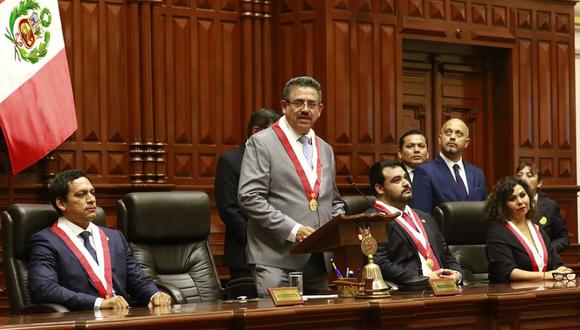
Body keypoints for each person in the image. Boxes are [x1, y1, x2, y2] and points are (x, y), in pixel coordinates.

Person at [238, 76, 344, 298]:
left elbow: (332, 200)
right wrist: (294, 230)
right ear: (284, 106)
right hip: (276, 258)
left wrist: (337, 224)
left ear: (320, 109)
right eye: (299, 103)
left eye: (312, 104)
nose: (306, 109)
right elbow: (249, 197)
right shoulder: (262, 142)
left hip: (318, 258)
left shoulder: (325, 149)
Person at [28, 169, 172, 311]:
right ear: (61, 203)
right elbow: (44, 288)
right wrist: (98, 303)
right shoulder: (46, 241)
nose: (91, 199)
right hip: (83, 319)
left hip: (121, 317)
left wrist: (154, 294)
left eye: (92, 192)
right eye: (81, 195)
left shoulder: (115, 238)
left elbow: (138, 280)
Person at [367, 160, 462, 286]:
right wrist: (423, 279)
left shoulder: (426, 217)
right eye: (397, 180)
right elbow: (381, 264)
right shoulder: (374, 219)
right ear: (380, 188)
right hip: (409, 293)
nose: (406, 183)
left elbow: (445, 254)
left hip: (446, 288)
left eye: (405, 177)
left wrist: (457, 274)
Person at [215, 108, 280, 280]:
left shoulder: (277, 161)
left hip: (277, 252)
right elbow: (229, 210)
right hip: (243, 253)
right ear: (256, 132)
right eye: (274, 134)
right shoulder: (230, 161)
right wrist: (260, 237)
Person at [485, 176, 573, 282]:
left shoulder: (535, 228)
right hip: (513, 293)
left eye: (523, 195)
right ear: (502, 206)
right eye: (512, 199)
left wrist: (563, 270)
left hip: (544, 289)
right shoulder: (497, 232)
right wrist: (544, 276)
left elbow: (556, 263)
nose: (520, 202)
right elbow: (505, 271)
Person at [411, 118, 487, 213]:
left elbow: (485, 211)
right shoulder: (425, 172)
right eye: (448, 133)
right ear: (439, 139)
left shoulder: (477, 174)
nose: (452, 137)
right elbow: (421, 215)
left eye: (458, 134)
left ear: (466, 143)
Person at [515, 162, 569, 254]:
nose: (523, 179)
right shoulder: (510, 205)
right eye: (520, 175)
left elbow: (563, 238)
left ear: (539, 183)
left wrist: (547, 251)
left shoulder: (550, 207)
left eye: (529, 175)